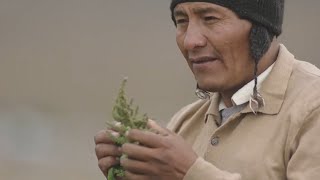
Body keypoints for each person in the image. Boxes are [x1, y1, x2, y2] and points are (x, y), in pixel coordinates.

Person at [94, 0, 320, 179]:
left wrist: (190, 173)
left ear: (260, 29)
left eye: (210, 18)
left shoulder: (312, 107)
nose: (190, 41)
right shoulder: (186, 121)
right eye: (181, 21)